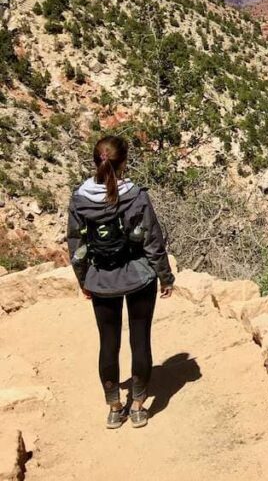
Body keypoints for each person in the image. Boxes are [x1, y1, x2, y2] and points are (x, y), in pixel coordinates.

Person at [66, 135, 175, 429]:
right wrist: (165, 277)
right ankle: (138, 406)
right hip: (139, 276)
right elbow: (153, 240)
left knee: (108, 342)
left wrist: (84, 280)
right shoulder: (136, 196)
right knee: (140, 338)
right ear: (124, 162)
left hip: (101, 279)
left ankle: (115, 407)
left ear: (95, 162)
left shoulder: (80, 199)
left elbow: (76, 244)